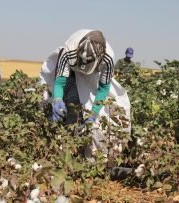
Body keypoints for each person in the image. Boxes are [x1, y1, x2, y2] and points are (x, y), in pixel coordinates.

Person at [39, 29, 131, 164]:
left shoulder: (108, 58)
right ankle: (63, 144)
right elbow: (60, 81)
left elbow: (104, 88)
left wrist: (93, 114)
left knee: (102, 113)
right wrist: (58, 99)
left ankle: (84, 149)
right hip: (70, 69)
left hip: (95, 75)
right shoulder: (69, 51)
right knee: (70, 103)